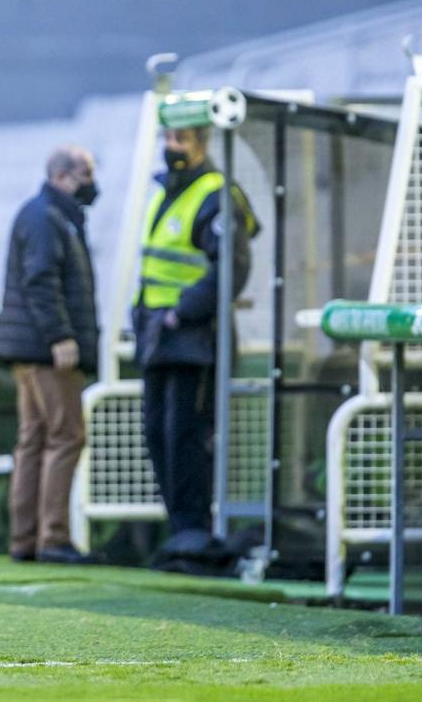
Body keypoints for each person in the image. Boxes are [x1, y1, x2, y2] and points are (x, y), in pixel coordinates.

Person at [133, 126, 259, 563]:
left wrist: (184, 309)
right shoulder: (166, 191)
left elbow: (232, 265)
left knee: (187, 433)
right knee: (157, 431)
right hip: (158, 332)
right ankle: (181, 529)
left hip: (194, 336)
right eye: (168, 139)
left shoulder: (216, 194)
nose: (172, 148)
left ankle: (194, 530)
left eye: (182, 140)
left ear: (202, 144)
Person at [0, 146, 100, 565]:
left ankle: (26, 539)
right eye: (86, 173)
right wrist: (61, 335)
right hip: (46, 349)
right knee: (65, 435)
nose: (92, 181)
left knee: (34, 439)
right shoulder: (48, 217)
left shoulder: (44, 214)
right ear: (64, 176)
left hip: (29, 349)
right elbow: (41, 279)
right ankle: (53, 537)